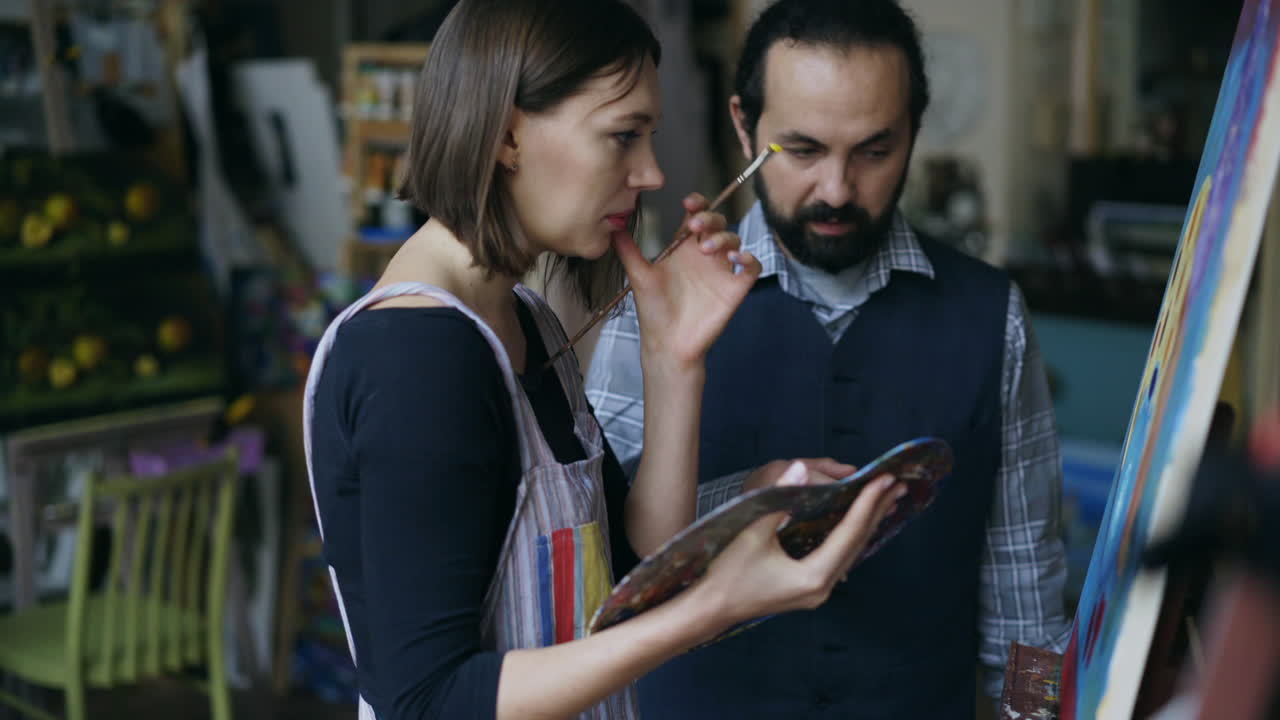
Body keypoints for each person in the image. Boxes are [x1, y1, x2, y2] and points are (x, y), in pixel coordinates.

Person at [302, 1, 904, 719]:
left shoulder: (521, 317)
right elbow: (427, 701)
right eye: (623, 136)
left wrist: (674, 357)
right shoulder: (419, 356)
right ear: (508, 136)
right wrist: (715, 604)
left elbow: (628, 558)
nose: (650, 173)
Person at [587, 0, 1072, 717]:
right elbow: (597, 577)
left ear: (914, 127)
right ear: (744, 125)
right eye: (803, 151)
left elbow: (1026, 594)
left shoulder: (992, 315)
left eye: (875, 151)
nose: (838, 190)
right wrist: (742, 503)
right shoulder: (650, 307)